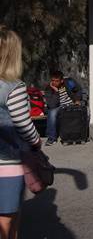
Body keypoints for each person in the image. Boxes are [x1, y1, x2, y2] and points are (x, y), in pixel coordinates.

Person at [0, 27, 41, 239]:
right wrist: (36, 143)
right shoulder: (13, 87)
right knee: (7, 220)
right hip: (7, 165)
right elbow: (24, 126)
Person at [43, 70, 82, 146]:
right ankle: (51, 138)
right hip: (59, 107)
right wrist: (56, 91)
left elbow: (78, 89)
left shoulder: (69, 82)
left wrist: (77, 99)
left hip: (71, 104)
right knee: (51, 113)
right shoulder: (48, 89)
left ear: (61, 81)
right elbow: (52, 105)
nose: (54, 83)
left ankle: (79, 135)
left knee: (80, 111)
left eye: (57, 81)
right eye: (53, 80)